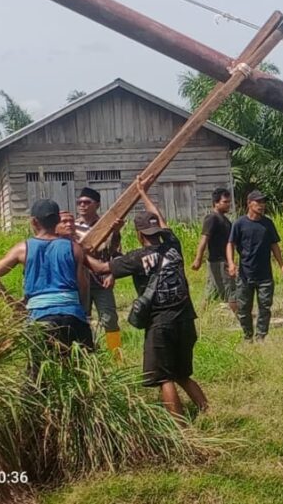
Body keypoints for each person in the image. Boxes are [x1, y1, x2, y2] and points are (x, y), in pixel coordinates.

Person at [85, 179, 208, 419]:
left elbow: (100, 268)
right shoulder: (173, 246)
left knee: (164, 377)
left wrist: (78, 252)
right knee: (183, 373)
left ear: (139, 235)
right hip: (186, 320)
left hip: (161, 324)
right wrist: (143, 194)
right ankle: (207, 410)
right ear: (159, 232)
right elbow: (160, 218)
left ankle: (180, 427)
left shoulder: (136, 258)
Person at [0, 199, 93, 352]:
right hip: (72, 315)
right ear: (57, 220)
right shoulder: (73, 248)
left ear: (34, 222)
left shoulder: (23, 249)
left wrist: (13, 303)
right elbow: (83, 285)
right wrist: (80, 311)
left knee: (38, 371)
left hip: (39, 317)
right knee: (80, 368)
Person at [227, 190, 283, 343]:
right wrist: (231, 263)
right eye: (258, 202)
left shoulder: (267, 223)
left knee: (265, 307)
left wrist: (282, 265)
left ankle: (261, 336)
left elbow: (274, 245)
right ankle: (248, 336)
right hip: (244, 275)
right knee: (243, 309)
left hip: (265, 275)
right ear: (249, 203)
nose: (262, 206)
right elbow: (230, 244)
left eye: (263, 202)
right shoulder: (239, 224)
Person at [74, 187, 122, 356]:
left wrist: (112, 273)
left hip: (101, 280)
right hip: (80, 281)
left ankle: (116, 355)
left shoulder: (107, 226)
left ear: (97, 205)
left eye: (87, 202)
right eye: (80, 202)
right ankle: (86, 353)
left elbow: (116, 254)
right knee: (82, 318)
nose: (82, 205)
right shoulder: (71, 227)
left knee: (109, 319)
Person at [192, 188, 237, 311]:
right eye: (225, 202)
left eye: (229, 202)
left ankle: (202, 315)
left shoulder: (225, 220)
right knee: (231, 290)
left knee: (211, 291)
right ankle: (240, 317)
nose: (228, 204)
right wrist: (198, 259)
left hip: (221, 260)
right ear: (216, 203)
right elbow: (204, 239)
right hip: (219, 261)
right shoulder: (212, 218)